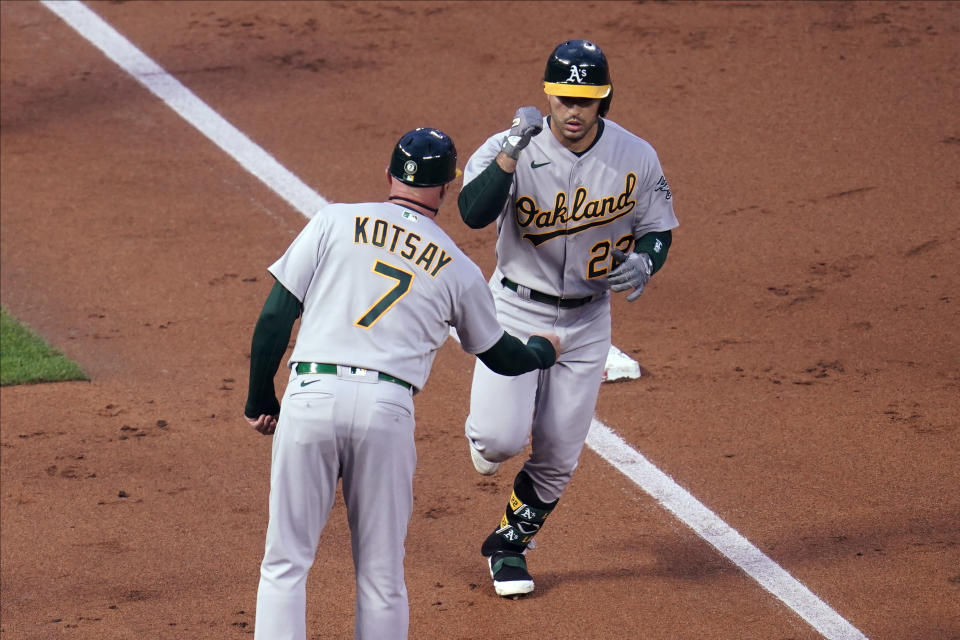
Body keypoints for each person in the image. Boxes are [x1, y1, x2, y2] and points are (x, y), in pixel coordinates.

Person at [243, 127, 560, 639]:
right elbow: (502, 357)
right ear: (447, 188)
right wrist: (543, 349)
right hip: (386, 411)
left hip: (312, 394)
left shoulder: (333, 220)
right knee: (382, 576)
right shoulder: (457, 266)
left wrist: (261, 397)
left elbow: (275, 318)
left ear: (389, 175)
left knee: (285, 565)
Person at [458, 39, 679, 598]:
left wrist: (646, 262)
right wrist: (511, 149)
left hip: (587, 322)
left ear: (604, 99)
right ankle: (486, 440)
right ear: (547, 96)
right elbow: (473, 213)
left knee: (558, 453)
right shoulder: (508, 146)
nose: (574, 111)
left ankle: (509, 547)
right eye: (564, 98)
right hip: (511, 309)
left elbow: (658, 226)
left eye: (586, 100)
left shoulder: (636, 155)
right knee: (499, 440)